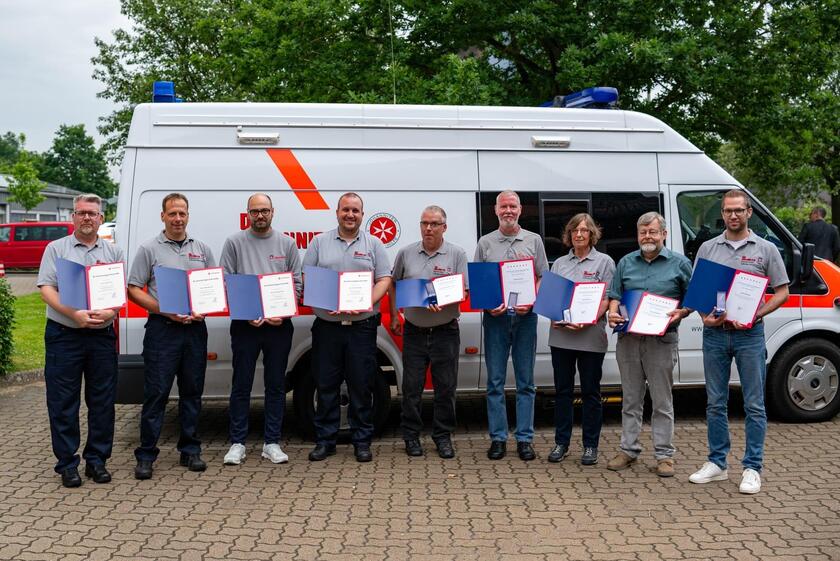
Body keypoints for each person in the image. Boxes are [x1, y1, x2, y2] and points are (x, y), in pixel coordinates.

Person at [689, 190, 789, 494]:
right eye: (728, 210)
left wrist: (756, 314)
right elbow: (698, 291)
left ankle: (752, 468)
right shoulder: (708, 248)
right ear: (722, 214)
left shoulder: (766, 249)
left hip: (750, 335)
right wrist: (705, 316)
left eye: (739, 210)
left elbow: (782, 292)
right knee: (715, 402)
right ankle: (717, 463)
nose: (733, 215)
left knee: (754, 404)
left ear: (749, 212)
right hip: (715, 335)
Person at [37, 194, 125, 487]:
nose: (87, 217)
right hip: (64, 335)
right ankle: (67, 464)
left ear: (101, 218)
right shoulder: (56, 249)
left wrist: (110, 311)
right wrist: (74, 314)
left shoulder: (114, 251)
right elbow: (46, 288)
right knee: (63, 401)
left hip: (101, 336)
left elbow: (119, 294)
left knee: (102, 401)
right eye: (81, 212)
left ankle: (97, 461)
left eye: (92, 213)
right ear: (73, 217)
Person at [127, 193, 215, 480]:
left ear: (188, 216)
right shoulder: (148, 248)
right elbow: (134, 288)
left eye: (182, 213)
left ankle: (190, 450)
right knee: (156, 393)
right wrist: (165, 310)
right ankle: (146, 455)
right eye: (172, 213)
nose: (178, 219)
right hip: (162, 330)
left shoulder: (202, 249)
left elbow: (213, 288)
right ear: (163, 216)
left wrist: (205, 308)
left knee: (192, 392)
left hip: (194, 330)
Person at [303, 192, 392, 462]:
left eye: (355, 210)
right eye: (345, 210)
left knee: (361, 384)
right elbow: (307, 277)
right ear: (337, 213)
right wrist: (322, 299)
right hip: (327, 327)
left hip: (361, 327)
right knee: (326, 384)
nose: (350, 215)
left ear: (362, 215)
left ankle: (361, 441)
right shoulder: (319, 243)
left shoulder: (374, 244)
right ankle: (325, 440)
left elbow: (384, 279)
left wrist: (365, 301)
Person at [606, 211, 692, 478]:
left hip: (661, 341)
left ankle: (664, 455)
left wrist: (683, 312)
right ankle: (628, 450)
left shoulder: (680, 263)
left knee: (662, 401)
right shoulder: (626, 262)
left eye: (653, 232)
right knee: (630, 399)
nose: (648, 237)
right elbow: (615, 295)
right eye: (643, 232)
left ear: (664, 234)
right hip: (629, 340)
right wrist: (612, 313)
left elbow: (692, 299)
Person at [219, 193, 302, 466]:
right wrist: (245, 312)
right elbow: (226, 282)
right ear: (247, 214)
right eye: (255, 211)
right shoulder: (234, 242)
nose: (260, 215)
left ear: (272, 212)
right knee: (241, 384)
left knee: (275, 385)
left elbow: (296, 285)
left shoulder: (287, 244)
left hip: (279, 326)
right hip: (245, 326)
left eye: (264, 210)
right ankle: (237, 443)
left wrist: (282, 313)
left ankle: (272, 443)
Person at [388, 205, 467, 459]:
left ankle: (442, 437)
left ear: (444, 227)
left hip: (446, 331)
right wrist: (395, 315)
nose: (428, 228)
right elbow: (393, 284)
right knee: (412, 387)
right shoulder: (406, 253)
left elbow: (464, 291)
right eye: (424, 223)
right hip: (414, 331)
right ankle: (411, 436)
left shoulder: (457, 253)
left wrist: (445, 298)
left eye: (434, 224)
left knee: (446, 387)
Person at [475, 190, 549, 461]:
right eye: (503, 206)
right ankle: (498, 438)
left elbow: (542, 276)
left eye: (512, 206)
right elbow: (479, 281)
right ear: (495, 210)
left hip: (525, 318)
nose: (508, 210)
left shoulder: (534, 240)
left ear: (520, 210)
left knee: (525, 382)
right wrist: (488, 304)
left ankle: (524, 440)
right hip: (496, 319)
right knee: (494, 382)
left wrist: (531, 300)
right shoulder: (485, 243)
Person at [546, 213, 614, 465]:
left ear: (592, 234)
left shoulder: (604, 262)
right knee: (562, 392)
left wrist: (587, 320)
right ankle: (561, 443)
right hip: (561, 337)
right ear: (569, 235)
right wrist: (553, 315)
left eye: (584, 230)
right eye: (575, 230)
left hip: (590, 337)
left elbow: (607, 299)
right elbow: (552, 299)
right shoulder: (560, 263)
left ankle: (590, 446)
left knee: (590, 393)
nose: (579, 234)